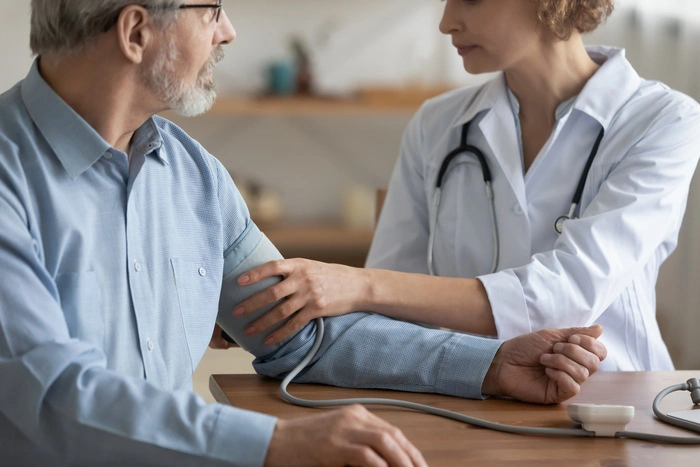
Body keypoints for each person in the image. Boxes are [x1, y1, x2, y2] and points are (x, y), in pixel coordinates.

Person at [0, 1, 607, 465]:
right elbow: (55, 395)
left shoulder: (193, 177)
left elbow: (296, 329)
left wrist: (489, 365)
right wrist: (273, 444)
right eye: (211, 8)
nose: (227, 30)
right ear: (136, 33)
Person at [226, 0, 700, 372]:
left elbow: (564, 299)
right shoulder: (437, 125)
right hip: (466, 396)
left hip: (617, 402)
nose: (446, 21)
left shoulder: (662, 121)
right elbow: (386, 319)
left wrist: (358, 283)